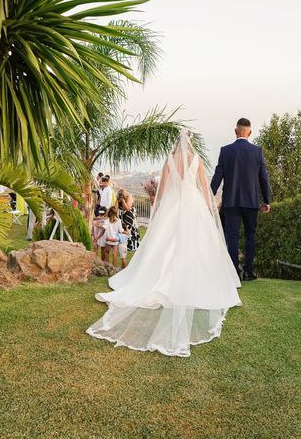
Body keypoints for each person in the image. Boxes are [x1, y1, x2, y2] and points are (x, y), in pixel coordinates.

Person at [87, 129, 241, 357]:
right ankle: (190, 281)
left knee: (164, 244)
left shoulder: (169, 160)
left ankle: (157, 279)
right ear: (190, 143)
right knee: (196, 246)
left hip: (172, 205)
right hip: (193, 205)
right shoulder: (197, 160)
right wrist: (211, 208)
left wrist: (157, 208)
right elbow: (203, 187)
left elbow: (162, 190)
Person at [210, 118, 271, 281]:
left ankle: (233, 272)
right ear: (249, 133)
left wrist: (209, 195)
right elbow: (263, 178)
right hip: (251, 202)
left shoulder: (225, 151)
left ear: (235, 131)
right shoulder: (257, 151)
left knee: (232, 237)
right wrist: (267, 200)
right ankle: (248, 272)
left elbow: (217, 177)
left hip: (231, 202)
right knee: (250, 235)